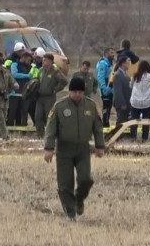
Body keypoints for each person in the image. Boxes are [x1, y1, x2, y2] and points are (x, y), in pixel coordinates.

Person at [43, 77, 105, 221]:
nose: (77, 94)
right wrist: (48, 148)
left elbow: (98, 127)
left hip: (83, 149)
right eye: (74, 91)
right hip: (64, 150)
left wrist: (100, 146)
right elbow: (50, 129)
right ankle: (70, 213)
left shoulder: (91, 106)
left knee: (85, 179)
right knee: (65, 184)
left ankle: (79, 199)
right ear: (69, 91)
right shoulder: (59, 106)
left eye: (79, 92)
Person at [34, 53, 68, 138]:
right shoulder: (41, 70)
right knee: (37, 117)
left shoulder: (55, 71)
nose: (43, 62)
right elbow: (37, 80)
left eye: (45, 60)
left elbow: (64, 81)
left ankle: (50, 135)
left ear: (50, 61)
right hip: (40, 97)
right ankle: (40, 135)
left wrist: (56, 89)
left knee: (49, 117)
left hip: (49, 98)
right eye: (42, 60)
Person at [128, 60, 150, 141]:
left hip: (135, 102)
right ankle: (144, 138)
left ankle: (133, 137)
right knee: (146, 121)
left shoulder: (135, 76)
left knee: (134, 121)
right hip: (147, 102)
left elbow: (130, 85)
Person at [9, 52, 34, 126]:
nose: (29, 62)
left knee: (23, 112)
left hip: (24, 93)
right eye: (28, 60)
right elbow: (14, 74)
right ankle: (10, 128)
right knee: (12, 112)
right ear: (23, 58)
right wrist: (27, 76)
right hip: (14, 93)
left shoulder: (28, 67)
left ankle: (21, 129)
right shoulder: (14, 64)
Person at [95, 47, 116, 126]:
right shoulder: (102, 63)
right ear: (106, 53)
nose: (113, 55)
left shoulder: (109, 63)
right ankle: (105, 124)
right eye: (111, 53)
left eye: (113, 53)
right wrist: (104, 89)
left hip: (110, 88)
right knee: (106, 107)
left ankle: (106, 123)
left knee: (109, 107)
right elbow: (100, 77)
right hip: (105, 89)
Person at [111, 56, 131, 128]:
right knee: (120, 121)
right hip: (121, 104)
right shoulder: (118, 75)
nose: (129, 64)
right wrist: (122, 103)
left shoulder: (125, 74)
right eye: (127, 63)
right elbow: (118, 91)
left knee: (125, 121)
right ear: (123, 64)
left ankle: (123, 136)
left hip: (127, 102)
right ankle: (118, 137)